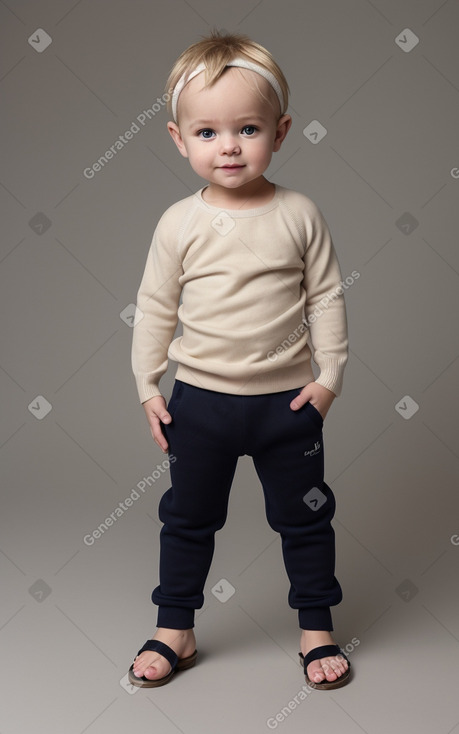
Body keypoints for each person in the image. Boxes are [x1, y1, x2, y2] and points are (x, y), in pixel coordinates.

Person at [128, 30, 351, 690]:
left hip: (287, 409)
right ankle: (176, 627)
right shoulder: (178, 223)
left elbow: (328, 298)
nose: (228, 146)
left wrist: (329, 378)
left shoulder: (299, 213)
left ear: (280, 132)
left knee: (306, 516)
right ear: (177, 138)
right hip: (200, 405)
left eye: (247, 128)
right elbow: (153, 307)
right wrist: (146, 385)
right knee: (187, 518)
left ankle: (316, 629)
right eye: (207, 133)